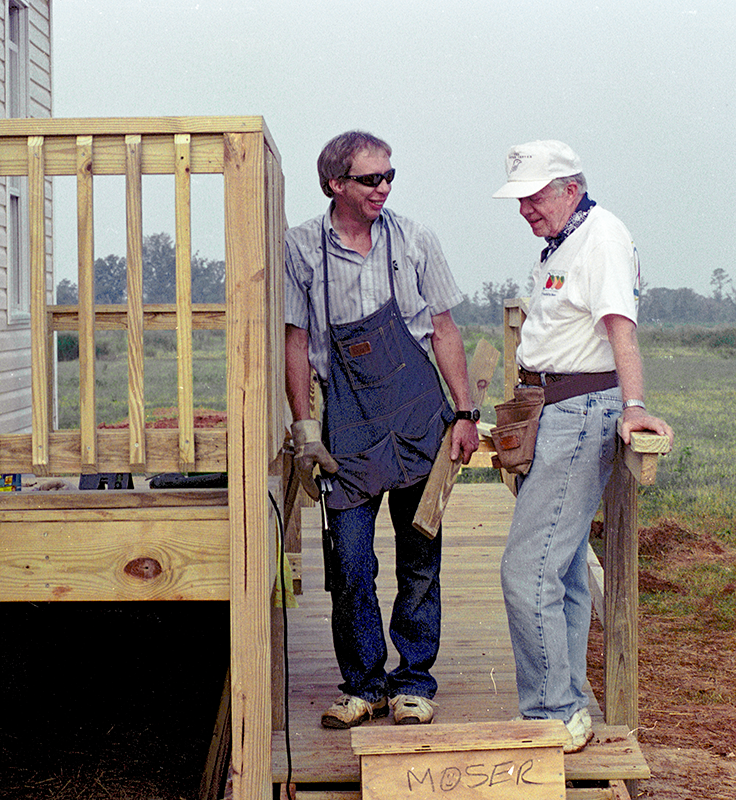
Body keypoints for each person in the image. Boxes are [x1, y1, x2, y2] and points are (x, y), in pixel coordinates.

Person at [285, 131, 479, 729]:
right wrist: (305, 428)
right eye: (371, 179)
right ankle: (364, 685)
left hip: (419, 413)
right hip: (345, 421)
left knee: (421, 556)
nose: (384, 188)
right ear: (335, 184)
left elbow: (443, 330)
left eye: (390, 176)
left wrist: (465, 413)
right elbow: (294, 342)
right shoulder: (302, 249)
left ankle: (413, 682)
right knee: (349, 562)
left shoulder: (414, 239)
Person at [493, 140, 674, 752]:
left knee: (526, 568)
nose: (525, 210)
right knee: (564, 568)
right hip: (553, 409)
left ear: (570, 186)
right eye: (519, 200)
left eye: (535, 196)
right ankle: (566, 702)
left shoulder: (601, 238)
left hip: (581, 411)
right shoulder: (566, 240)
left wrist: (634, 407)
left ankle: (552, 712)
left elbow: (620, 330)